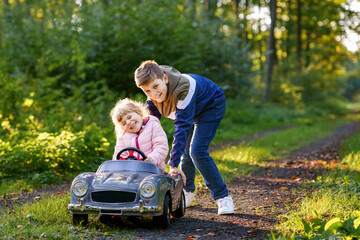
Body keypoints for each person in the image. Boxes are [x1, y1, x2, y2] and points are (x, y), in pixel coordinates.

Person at [134, 60, 234, 215]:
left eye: (155, 86)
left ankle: (223, 197)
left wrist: (172, 164)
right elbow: (149, 129)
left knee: (197, 151)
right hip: (191, 111)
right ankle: (187, 192)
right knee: (186, 153)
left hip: (210, 105)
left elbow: (182, 128)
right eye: (147, 91)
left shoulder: (183, 90)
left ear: (165, 79)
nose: (153, 93)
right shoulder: (152, 99)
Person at [110, 98, 169, 172]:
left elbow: (161, 147)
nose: (128, 122)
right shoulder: (123, 136)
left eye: (129, 117)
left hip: (153, 170)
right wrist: (117, 167)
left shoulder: (153, 125)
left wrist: (151, 159)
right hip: (131, 172)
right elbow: (118, 155)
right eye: (124, 123)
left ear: (139, 112)